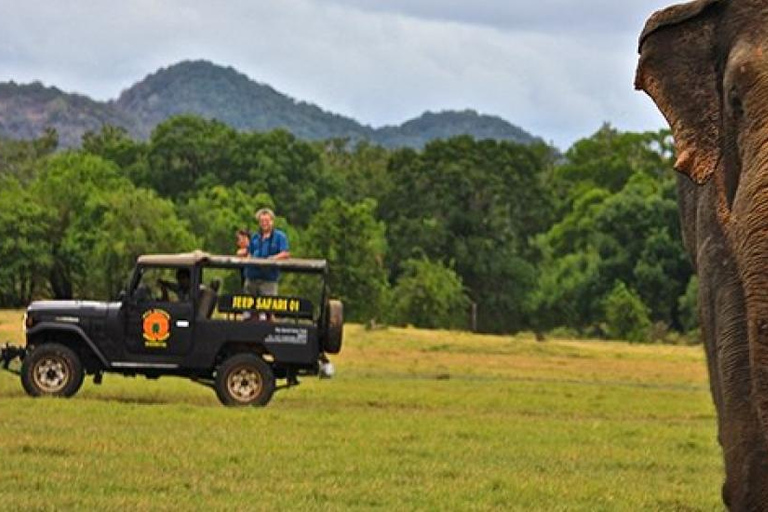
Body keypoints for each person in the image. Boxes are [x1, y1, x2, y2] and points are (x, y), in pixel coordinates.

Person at [244, 207, 290, 297]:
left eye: (267, 220)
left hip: (269, 280)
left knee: (267, 308)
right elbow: (249, 253)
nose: (264, 223)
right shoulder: (255, 237)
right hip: (252, 278)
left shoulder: (280, 236)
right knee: (248, 308)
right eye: (261, 221)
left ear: (272, 221)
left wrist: (272, 259)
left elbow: (285, 253)